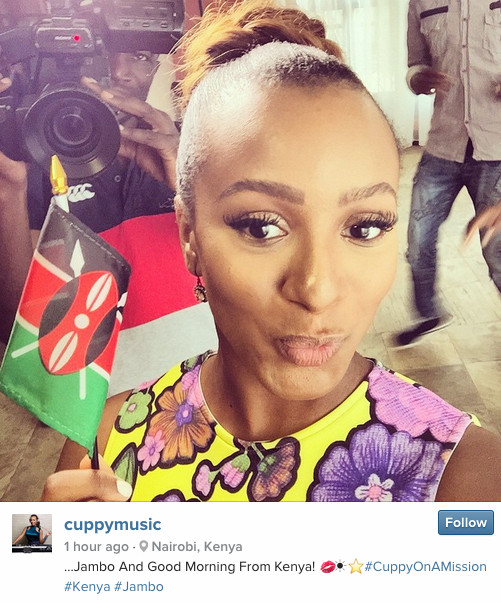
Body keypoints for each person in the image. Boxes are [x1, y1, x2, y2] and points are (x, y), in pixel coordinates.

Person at [41, 1, 501, 503]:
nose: (317, 290)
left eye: (365, 227)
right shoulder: (103, 448)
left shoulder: (467, 480)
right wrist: (49, 549)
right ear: (189, 236)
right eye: (262, 227)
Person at [0, 49, 217, 394]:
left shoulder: (191, 146)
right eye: (100, 54)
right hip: (83, 397)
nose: (119, 71)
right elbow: (19, 328)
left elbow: (249, 276)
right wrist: (9, 191)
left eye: (140, 56)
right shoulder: (35, 158)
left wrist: (193, 190)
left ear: (158, 63)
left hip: (198, 389)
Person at [395, 0, 501, 347]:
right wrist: (418, 79)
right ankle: (428, 313)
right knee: (418, 238)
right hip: (444, 144)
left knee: (497, 250)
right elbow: (415, 64)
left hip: (497, 148)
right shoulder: (421, 3)